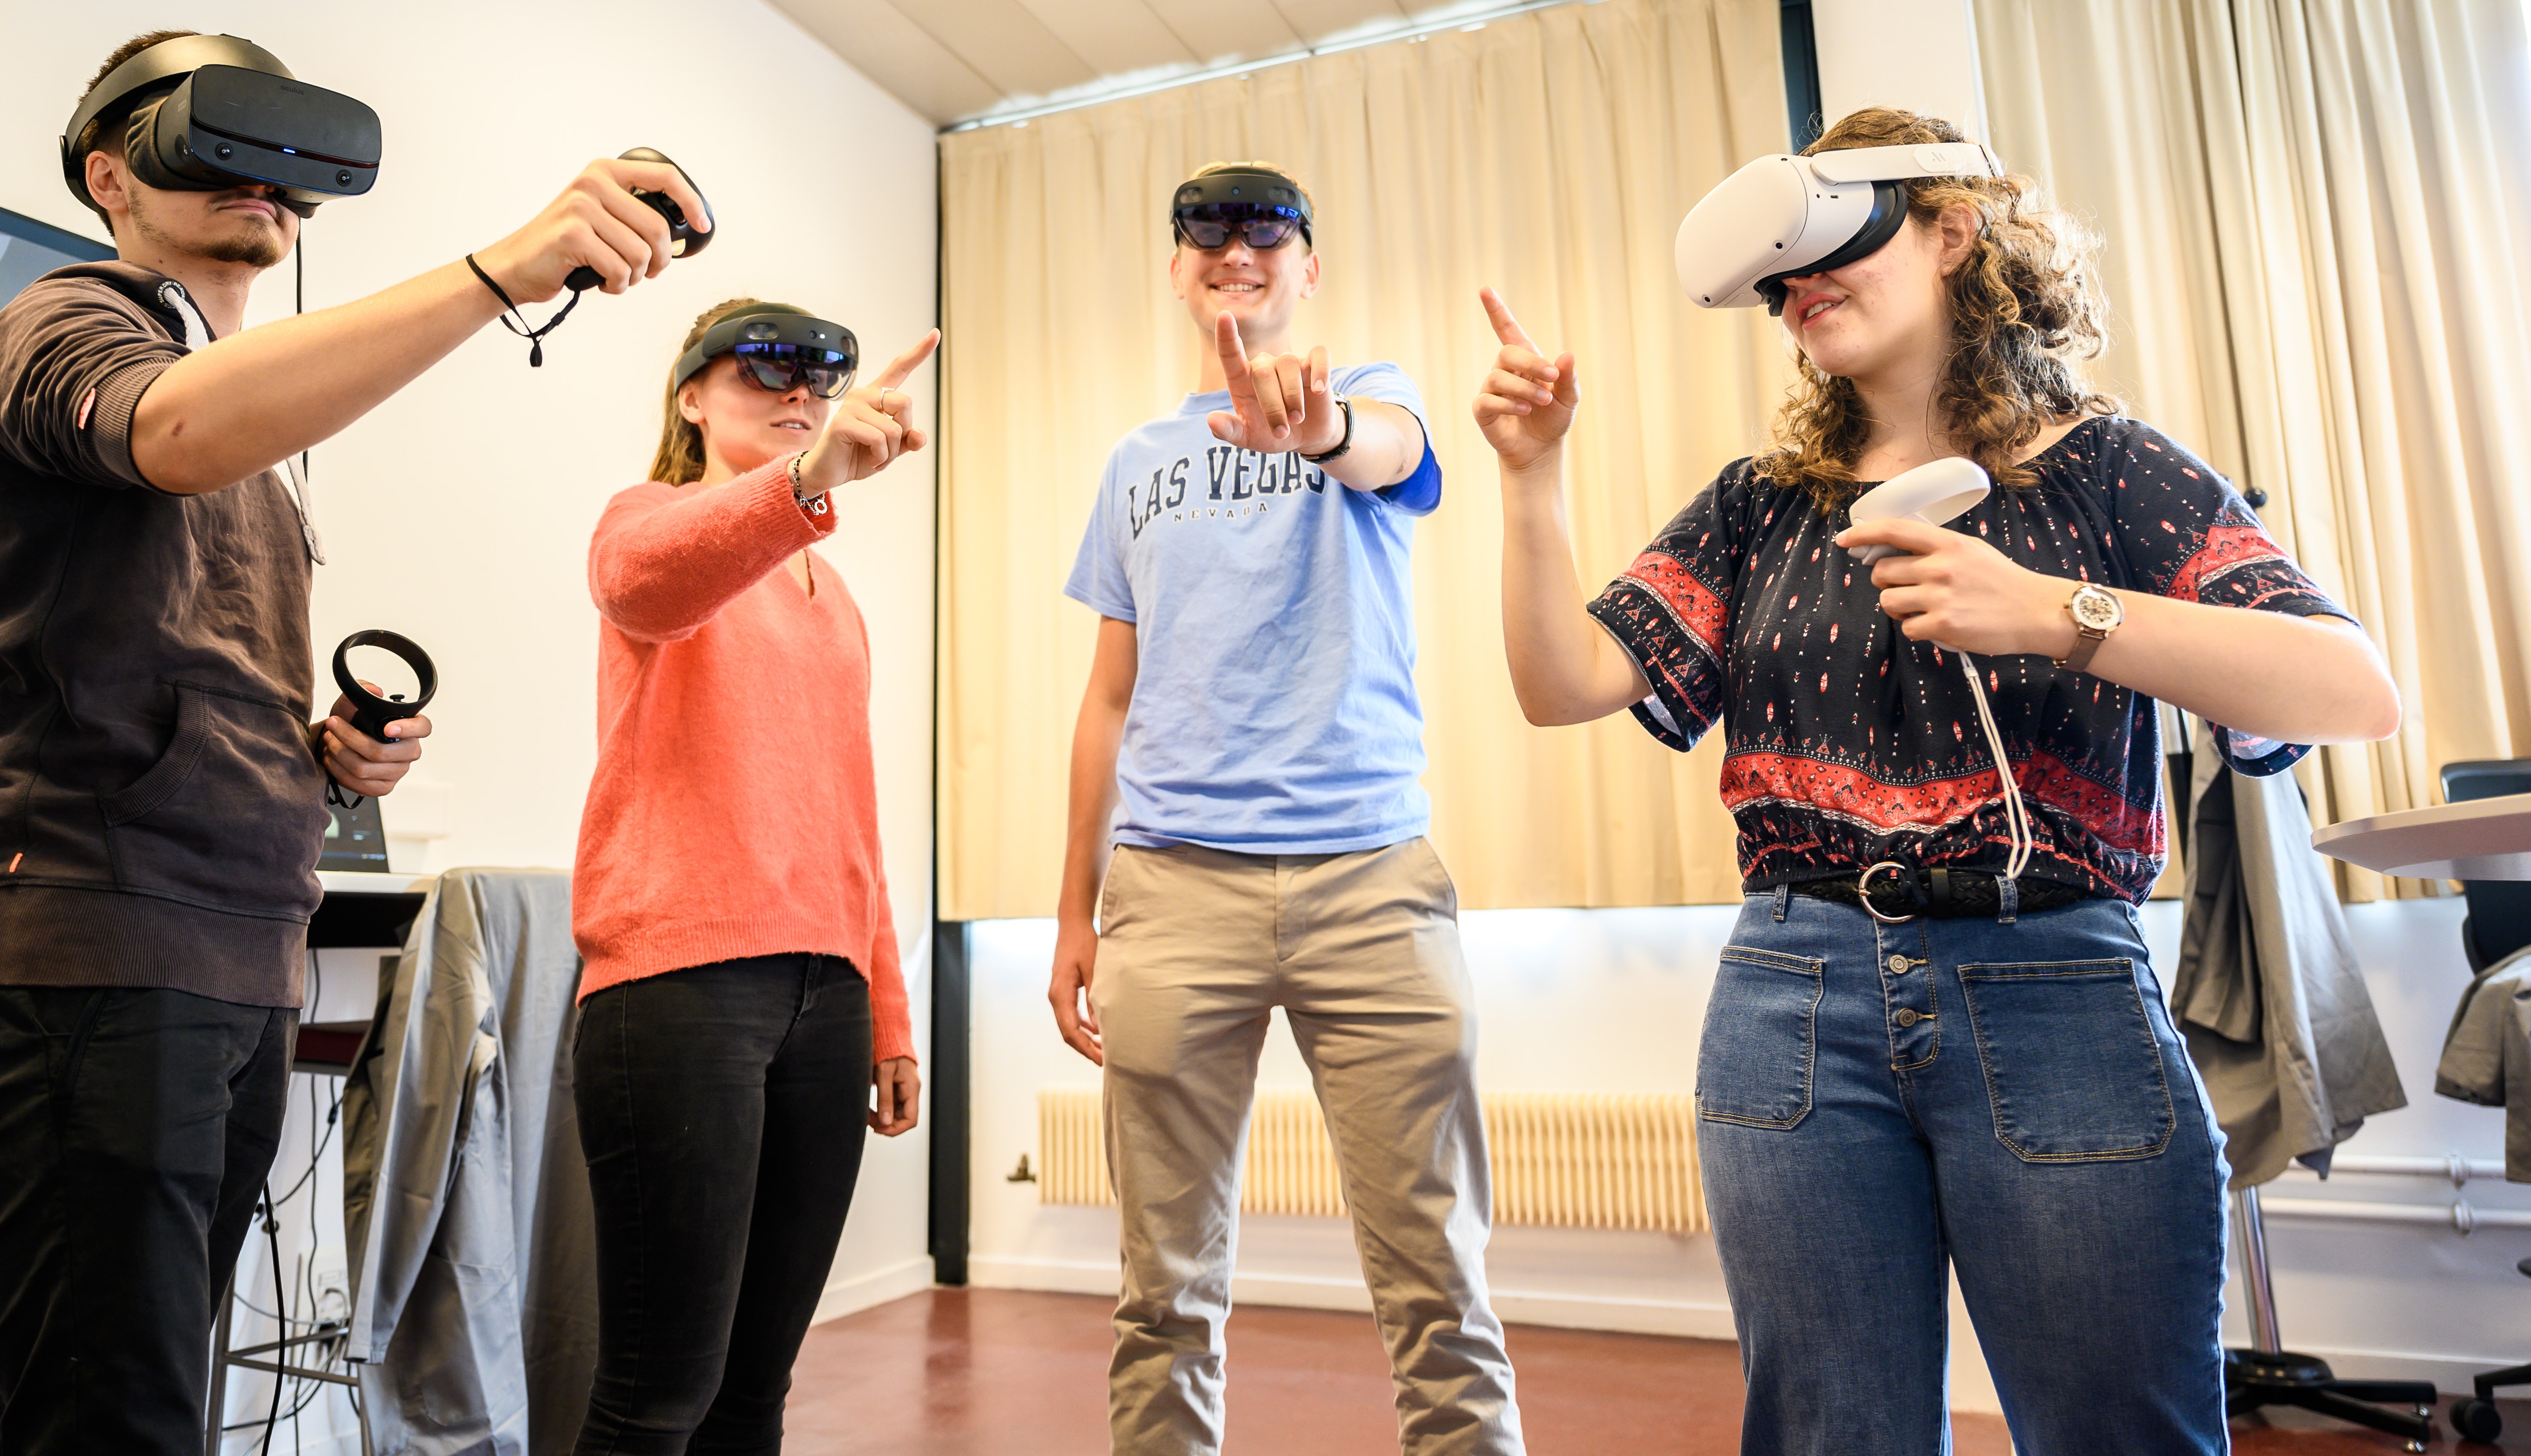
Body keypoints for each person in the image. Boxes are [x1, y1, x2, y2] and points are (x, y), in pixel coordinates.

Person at [1475, 108, 2401, 1453]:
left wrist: (2054, 613)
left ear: (1953, 232)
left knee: (2118, 1431)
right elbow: (1564, 684)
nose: (1799, 292)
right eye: (1778, 281)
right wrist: (1531, 479)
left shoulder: (2110, 473)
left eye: (1830, 250)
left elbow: (2349, 690)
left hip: (2055, 993)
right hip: (1791, 1001)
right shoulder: (1760, 504)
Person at [0, 29, 706, 1454]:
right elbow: (168, 432)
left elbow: (169, 654)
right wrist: (498, 275)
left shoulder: (260, 444)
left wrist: (319, 752)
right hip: (94, 940)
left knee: (157, 1398)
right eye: (208, 143)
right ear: (109, 175)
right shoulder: (61, 323)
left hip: (236, 951)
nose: (258, 180)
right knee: (111, 1418)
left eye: (283, 164)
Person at [1050, 162, 1524, 1455]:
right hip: (1169, 888)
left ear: (1308, 268)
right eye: (1205, 231)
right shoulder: (1135, 463)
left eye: (1269, 231)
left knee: (1439, 1286)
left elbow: (1392, 453)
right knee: (1162, 1294)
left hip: (1368, 885)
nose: (1235, 250)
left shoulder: (1370, 398)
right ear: (1176, 268)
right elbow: (1107, 700)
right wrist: (1072, 914)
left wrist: (1313, 430)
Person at [569, 298, 936, 1453]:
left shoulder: (836, 599)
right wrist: (807, 482)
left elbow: (851, 811)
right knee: (656, 1394)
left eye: (820, 379)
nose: (800, 396)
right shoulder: (646, 520)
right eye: (764, 370)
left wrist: (887, 1009)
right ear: (691, 395)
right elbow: (645, 585)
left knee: (754, 1391)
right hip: (682, 986)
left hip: (826, 996)